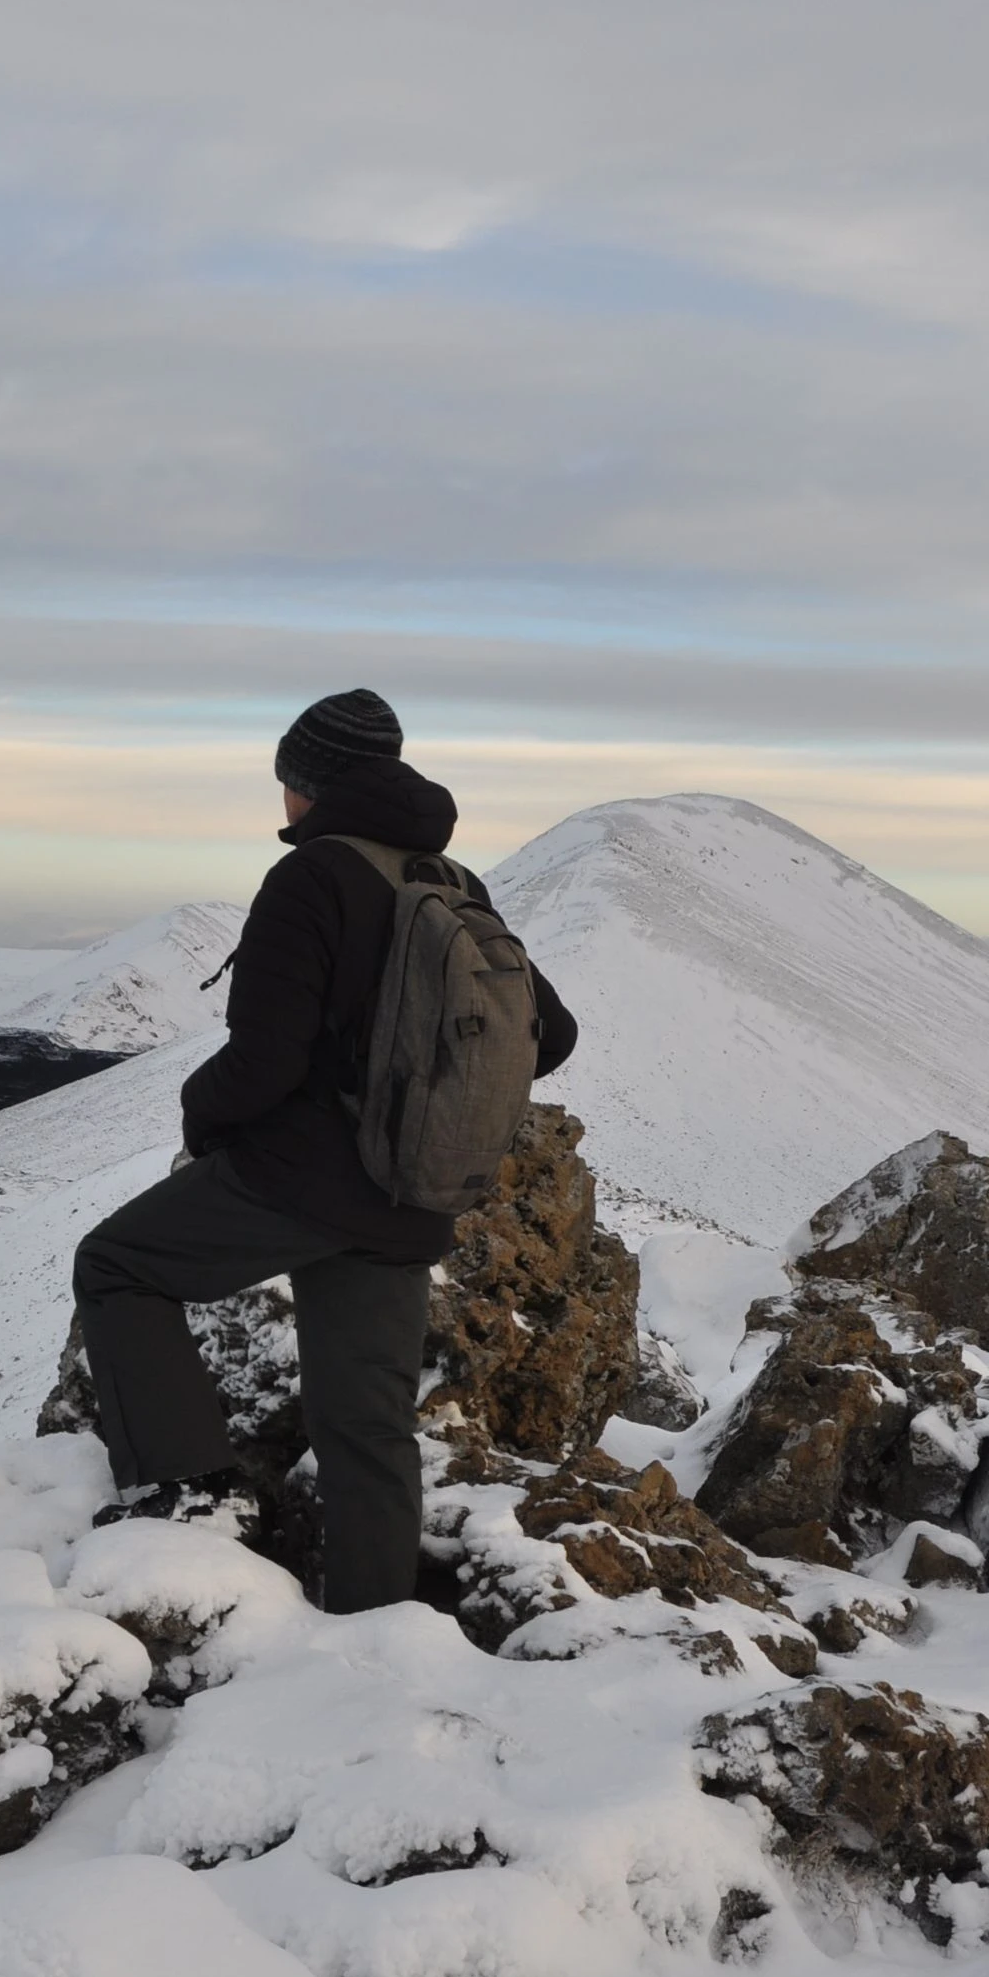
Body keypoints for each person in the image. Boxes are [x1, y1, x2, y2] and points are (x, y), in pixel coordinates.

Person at [72, 688, 578, 1612]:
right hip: (410, 1194)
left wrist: (201, 1116)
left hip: (300, 1182)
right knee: (366, 1426)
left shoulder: (311, 878)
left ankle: (190, 1489)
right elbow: (556, 1033)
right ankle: (373, 1626)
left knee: (116, 1267)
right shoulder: (453, 882)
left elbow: (264, 1061)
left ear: (309, 783)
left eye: (286, 780)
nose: (282, 798)